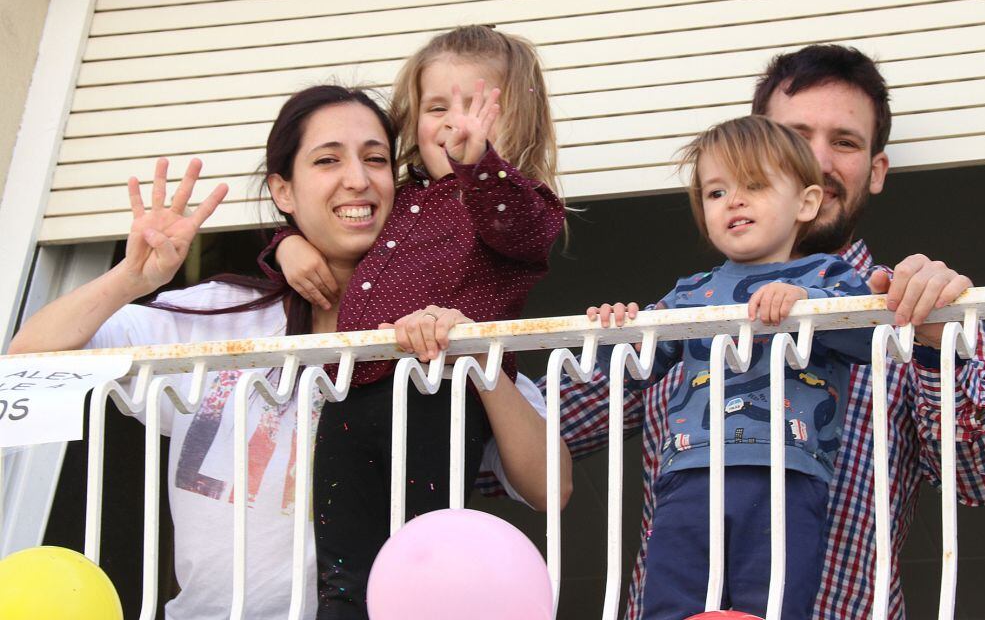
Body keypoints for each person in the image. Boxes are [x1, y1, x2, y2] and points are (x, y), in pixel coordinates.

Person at [9, 85, 571, 620]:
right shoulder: (219, 314)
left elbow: (551, 487)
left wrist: (473, 354)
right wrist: (131, 278)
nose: (357, 180)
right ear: (283, 191)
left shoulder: (425, 331)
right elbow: (31, 354)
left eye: (376, 160)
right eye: (328, 161)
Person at [543, 45, 985, 619]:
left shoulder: (918, 305)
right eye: (792, 136)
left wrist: (934, 340)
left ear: (876, 170)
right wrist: (458, 329)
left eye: (844, 142)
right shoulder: (691, 305)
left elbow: (980, 480)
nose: (816, 158)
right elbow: (541, 437)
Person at [264, 26, 566, 618]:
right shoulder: (400, 200)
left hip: (438, 398)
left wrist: (479, 164)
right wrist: (285, 245)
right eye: (437, 108)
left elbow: (522, 229)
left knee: (421, 552)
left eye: (478, 108)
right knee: (343, 567)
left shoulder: (521, 206)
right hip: (349, 398)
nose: (456, 124)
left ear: (517, 123)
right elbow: (331, 218)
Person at [588, 116, 874, 619]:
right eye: (716, 192)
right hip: (688, 470)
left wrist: (808, 302)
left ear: (806, 203)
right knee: (671, 598)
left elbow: (869, 337)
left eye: (755, 185)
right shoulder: (690, 293)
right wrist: (615, 330)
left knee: (771, 601)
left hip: (787, 473)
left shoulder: (830, 275)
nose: (733, 201)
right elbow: (629, 369)